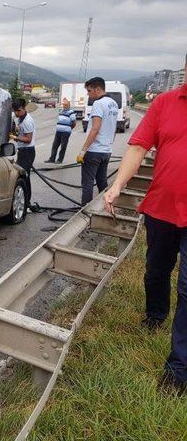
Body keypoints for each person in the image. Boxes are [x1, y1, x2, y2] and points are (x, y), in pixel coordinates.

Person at [104, 81, 187, 395]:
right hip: (162, 208)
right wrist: (117, 186)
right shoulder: (165, 103)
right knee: (156, 272)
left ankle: (178, 370)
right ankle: (155, 315)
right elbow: (138, 147)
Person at [77, 77, 118, 205]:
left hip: (94, 151)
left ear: (98, 89)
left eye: (89, 91)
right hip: (106, 151)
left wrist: (83, 151)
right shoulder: (113, 103)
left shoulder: (98, 104)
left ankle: (85, 213)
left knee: (87, 183)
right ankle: (104, 207)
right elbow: (113, 128)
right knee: (102, 182)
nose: (88, 94)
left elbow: (95, 129)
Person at [9, 98, 36, 207]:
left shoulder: (27, 121)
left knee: (24, 177)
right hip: (23, 151)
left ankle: (27, 203)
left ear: (24, 109)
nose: (16, 113)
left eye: (19, 110)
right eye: (15, 111)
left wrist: (15, 137)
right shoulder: (20, 118)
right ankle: (26, 202)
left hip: (27, 152)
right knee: (23, 177)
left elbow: (28, 139)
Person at [46, 98, 76, 164]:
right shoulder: (61, 111)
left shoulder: (71, 112)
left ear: (69, 105)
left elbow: (74, 123)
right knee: (55, 145)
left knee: (63, 146)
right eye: (63, 105)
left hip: (65, 132)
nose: (64, 106)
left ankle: (60, 160)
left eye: (66, 105)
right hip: (58, 131)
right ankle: (52, 159)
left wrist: (69, 128)